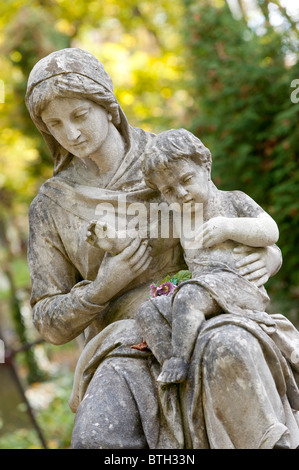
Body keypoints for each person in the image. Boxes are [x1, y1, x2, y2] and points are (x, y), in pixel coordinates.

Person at [25, 48, 298, 449]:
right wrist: (103, 288)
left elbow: (227, 214)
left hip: (208, 310)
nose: (71, 133)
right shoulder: (50, 206)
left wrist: (268, 257)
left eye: (79, 115)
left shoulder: (166, 159)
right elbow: (48, 321)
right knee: (96, 437)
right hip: (124, 339)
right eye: (55, 124)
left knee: (230, 353)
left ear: (108, 105)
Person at [138, 128, 279, 385]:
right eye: (169, 190)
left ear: (206, 167)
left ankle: (181, 359)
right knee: (148, 311)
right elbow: (145, 240)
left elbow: (270, 230)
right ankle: (171, 363)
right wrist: (106, 238)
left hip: (239, 285)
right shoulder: (179, 219)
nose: (180, 193)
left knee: (190, 295)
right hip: (203, 291)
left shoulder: (233, 200)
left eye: (186, 179)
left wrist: (228, 227)